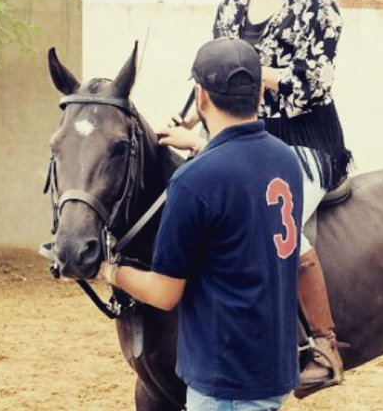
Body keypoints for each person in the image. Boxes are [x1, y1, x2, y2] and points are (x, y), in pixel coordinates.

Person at [166, 0, 350, 394]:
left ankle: (324, 345)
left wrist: (252, 73)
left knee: (280, 227)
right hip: (239, 138)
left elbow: (316, 84)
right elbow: (214, 68)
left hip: (303, 141)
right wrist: (189, 119)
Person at [100, 37, 303, 410]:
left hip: (225, 382)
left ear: (201, 97)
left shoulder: (194, 180)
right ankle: (320, 339)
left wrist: (112, 272)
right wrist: (198, 146)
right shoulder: (286, 159)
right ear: (259, 95)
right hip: (274, 370)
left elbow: (164, 293)